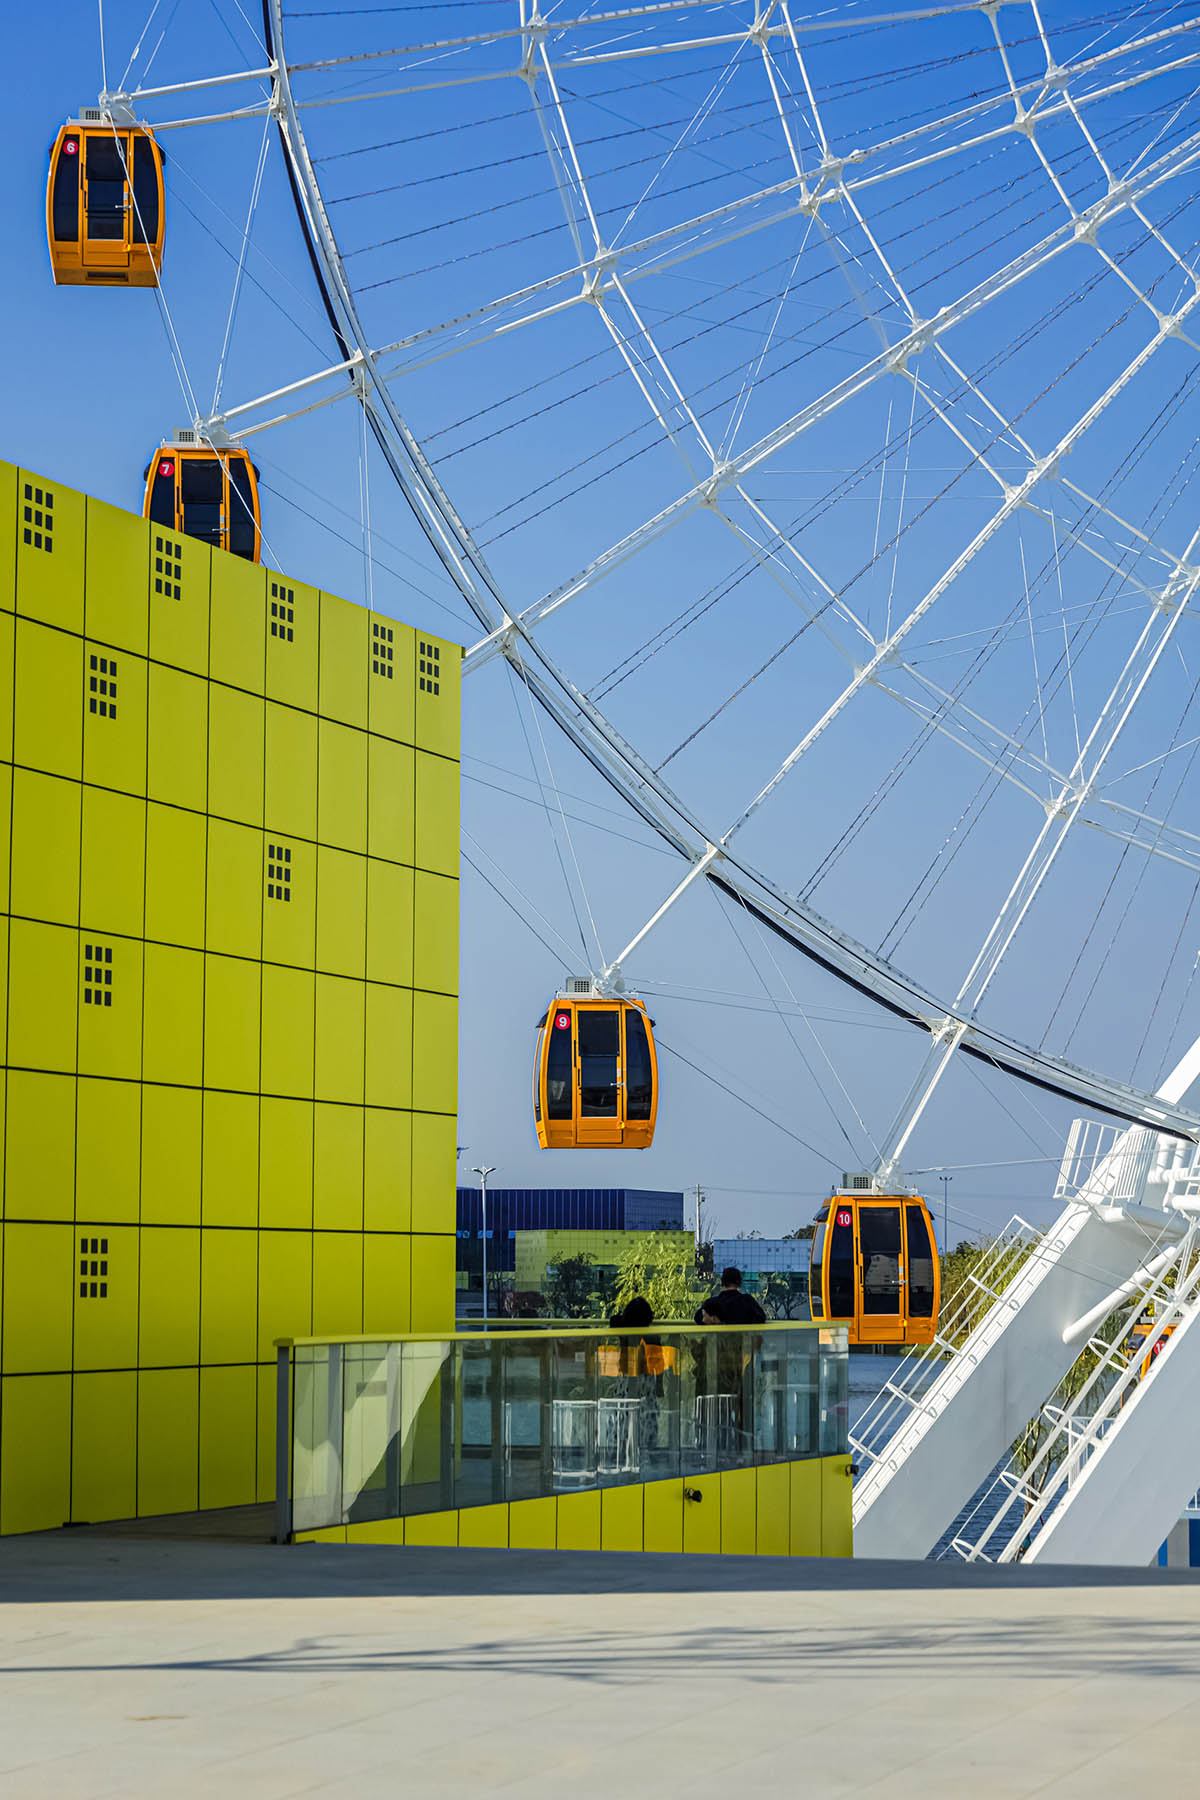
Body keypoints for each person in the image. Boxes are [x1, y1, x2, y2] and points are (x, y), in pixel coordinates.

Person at [695, 1267, 766, 1326]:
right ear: (740, 1283)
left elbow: (698, 1318)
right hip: (740, 1341)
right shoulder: (747, 1301)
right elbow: (761, 1318)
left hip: (720, 1341)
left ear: (722, 1283)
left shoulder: (711, 1303)